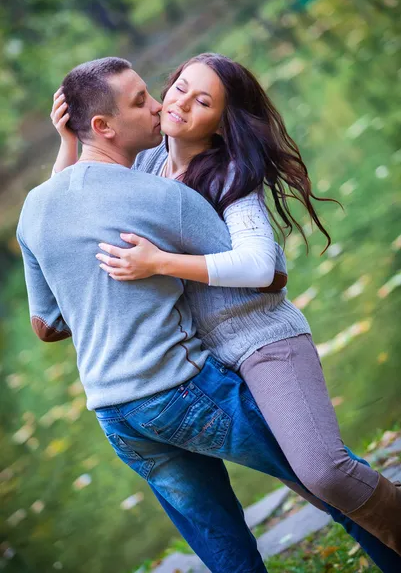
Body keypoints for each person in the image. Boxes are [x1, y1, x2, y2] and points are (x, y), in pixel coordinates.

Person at [20, 57, 397, 573]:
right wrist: (72, 143)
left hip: (259, 339)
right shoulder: (147, 169)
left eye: (201, 101)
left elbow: (267, 271)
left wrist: (159, 261)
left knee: (324, 476)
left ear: (223, 122)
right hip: (199, 360)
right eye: (174, 88)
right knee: (303, 490)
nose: (170, 103)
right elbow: (74, 200)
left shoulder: (227, 175)